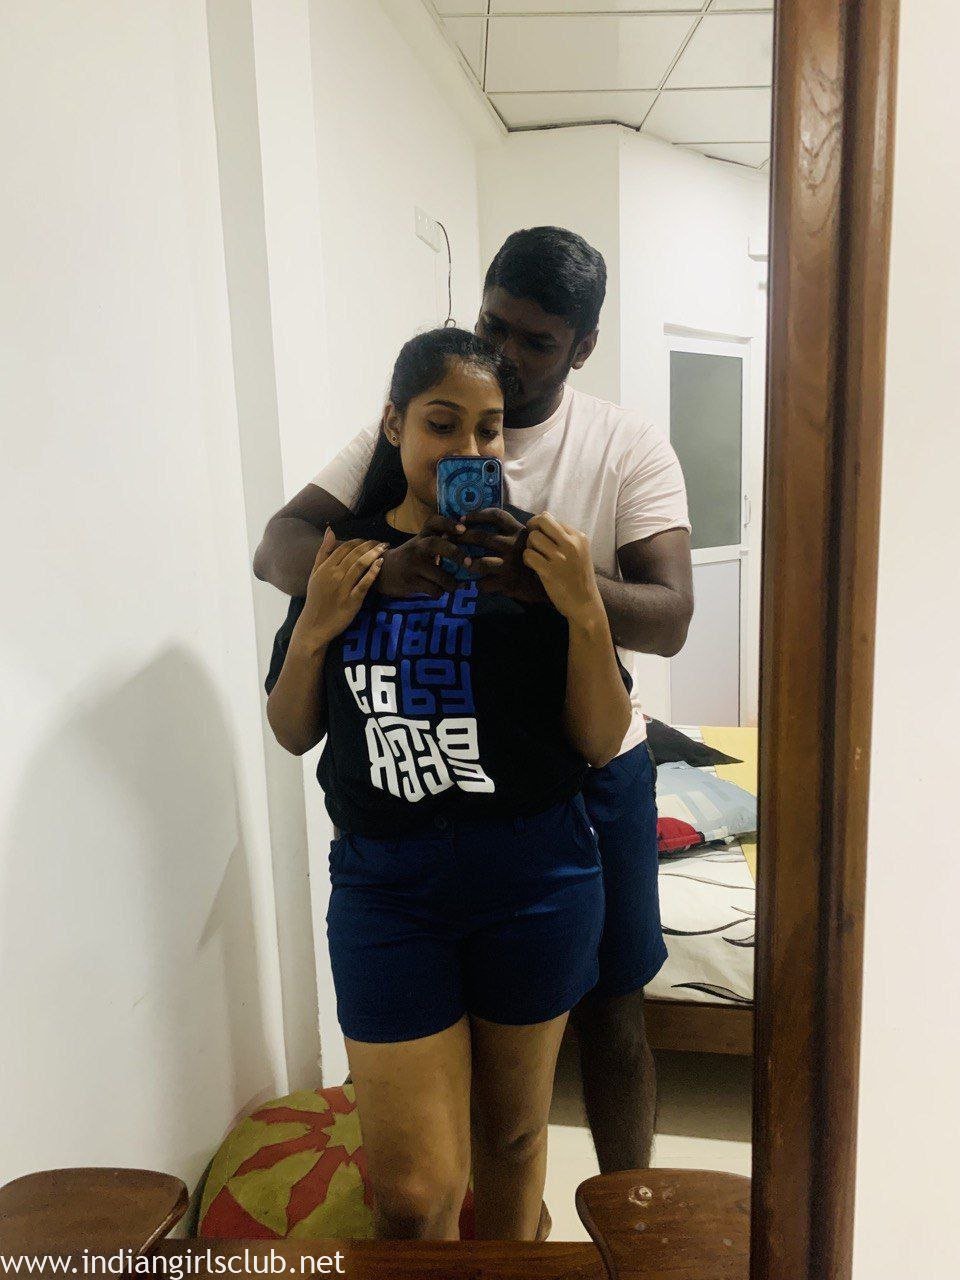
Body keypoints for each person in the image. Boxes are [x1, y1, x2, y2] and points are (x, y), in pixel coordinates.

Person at [255, 227, 694, 1176]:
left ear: (582, 347)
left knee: (614, 1008)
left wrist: (560, 586)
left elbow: (670, 618)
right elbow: (278, 547)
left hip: (587, 760)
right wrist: (375, 577)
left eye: (537, 342)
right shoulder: (421, 421)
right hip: (412, 800)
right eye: (495, 325)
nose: (508, 355)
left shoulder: (624, 444)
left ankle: (628, 1215)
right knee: (436, 1117)